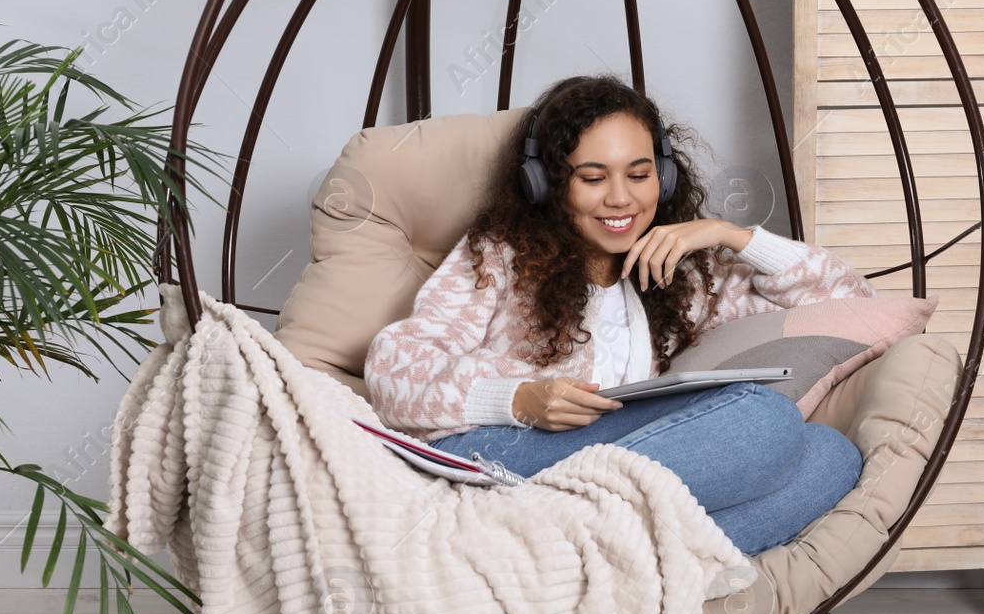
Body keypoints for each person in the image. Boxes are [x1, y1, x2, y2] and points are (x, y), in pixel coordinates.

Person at [363, 75, 874, 555]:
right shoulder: (499, 256)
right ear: (546, 183)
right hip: (509, 454)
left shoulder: (687, 276)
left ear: (665, 177)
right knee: (765, 417)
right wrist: (517, 399)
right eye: (592, 177)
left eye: (639, 174)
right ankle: (615, 548)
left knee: (832, 456)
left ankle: (593, 559)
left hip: (623, 454)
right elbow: (394, 372)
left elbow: (848, 304)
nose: (620, 198)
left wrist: (730, 235)